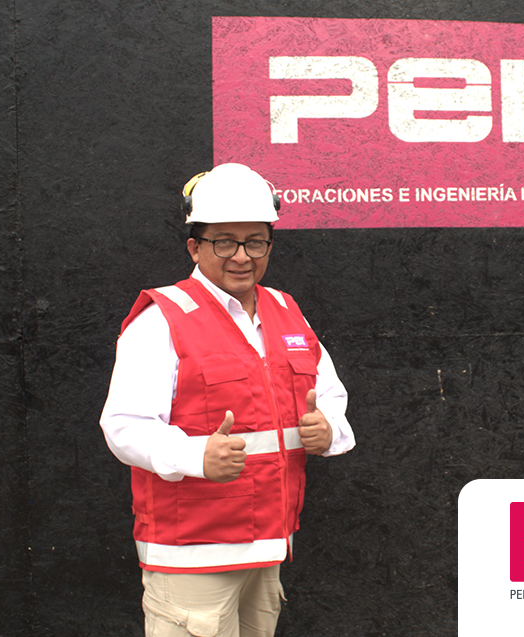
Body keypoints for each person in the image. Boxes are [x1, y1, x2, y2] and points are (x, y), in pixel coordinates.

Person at [100, 163, 355, 637]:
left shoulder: (286, 310)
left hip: (268, 546)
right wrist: (195, 455)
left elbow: (329, 395)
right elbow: (123, 425)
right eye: (224, 242)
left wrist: (329, 430)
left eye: (255, 242)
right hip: (193, 555)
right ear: (195, 247)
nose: (241, 256)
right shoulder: (162, 320)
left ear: (269, 245)